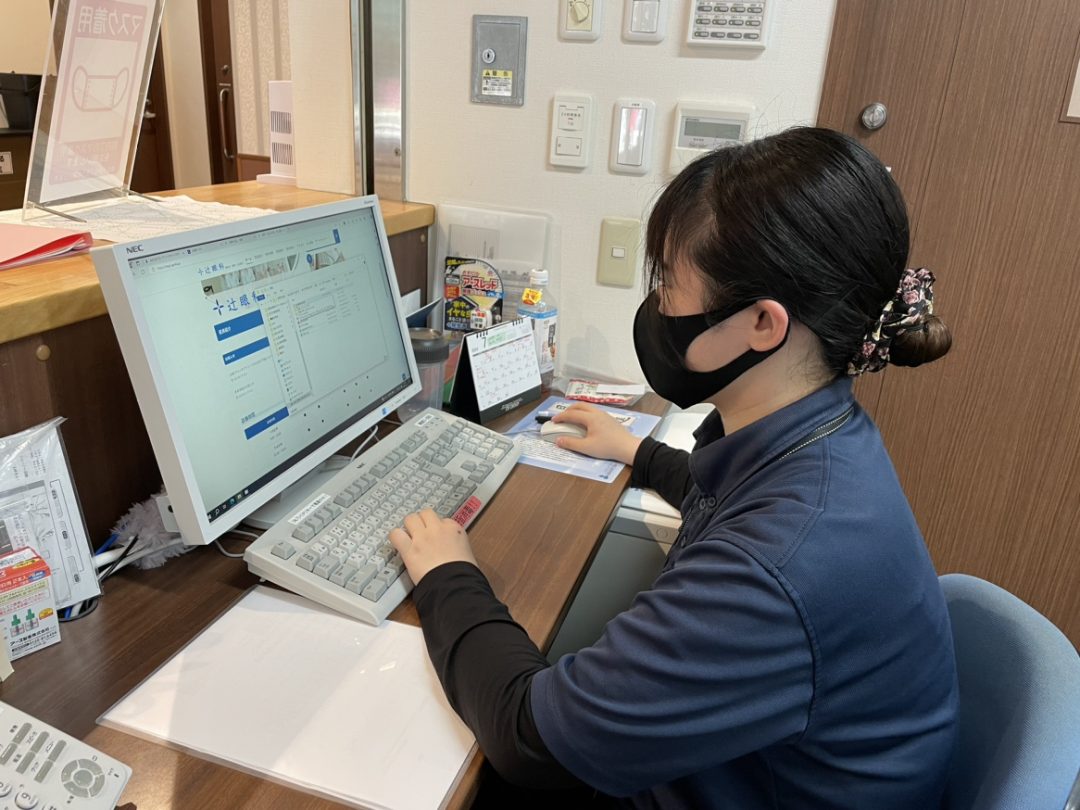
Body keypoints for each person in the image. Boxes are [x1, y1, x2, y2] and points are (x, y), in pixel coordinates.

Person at [388, 127, 959, 809]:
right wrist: (638, 452)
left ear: (763, 324)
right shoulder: (821, 435)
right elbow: (729, 506)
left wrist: (448, 574)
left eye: (668, 283)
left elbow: (527, 741)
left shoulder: (779, 565)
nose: (657, 306)